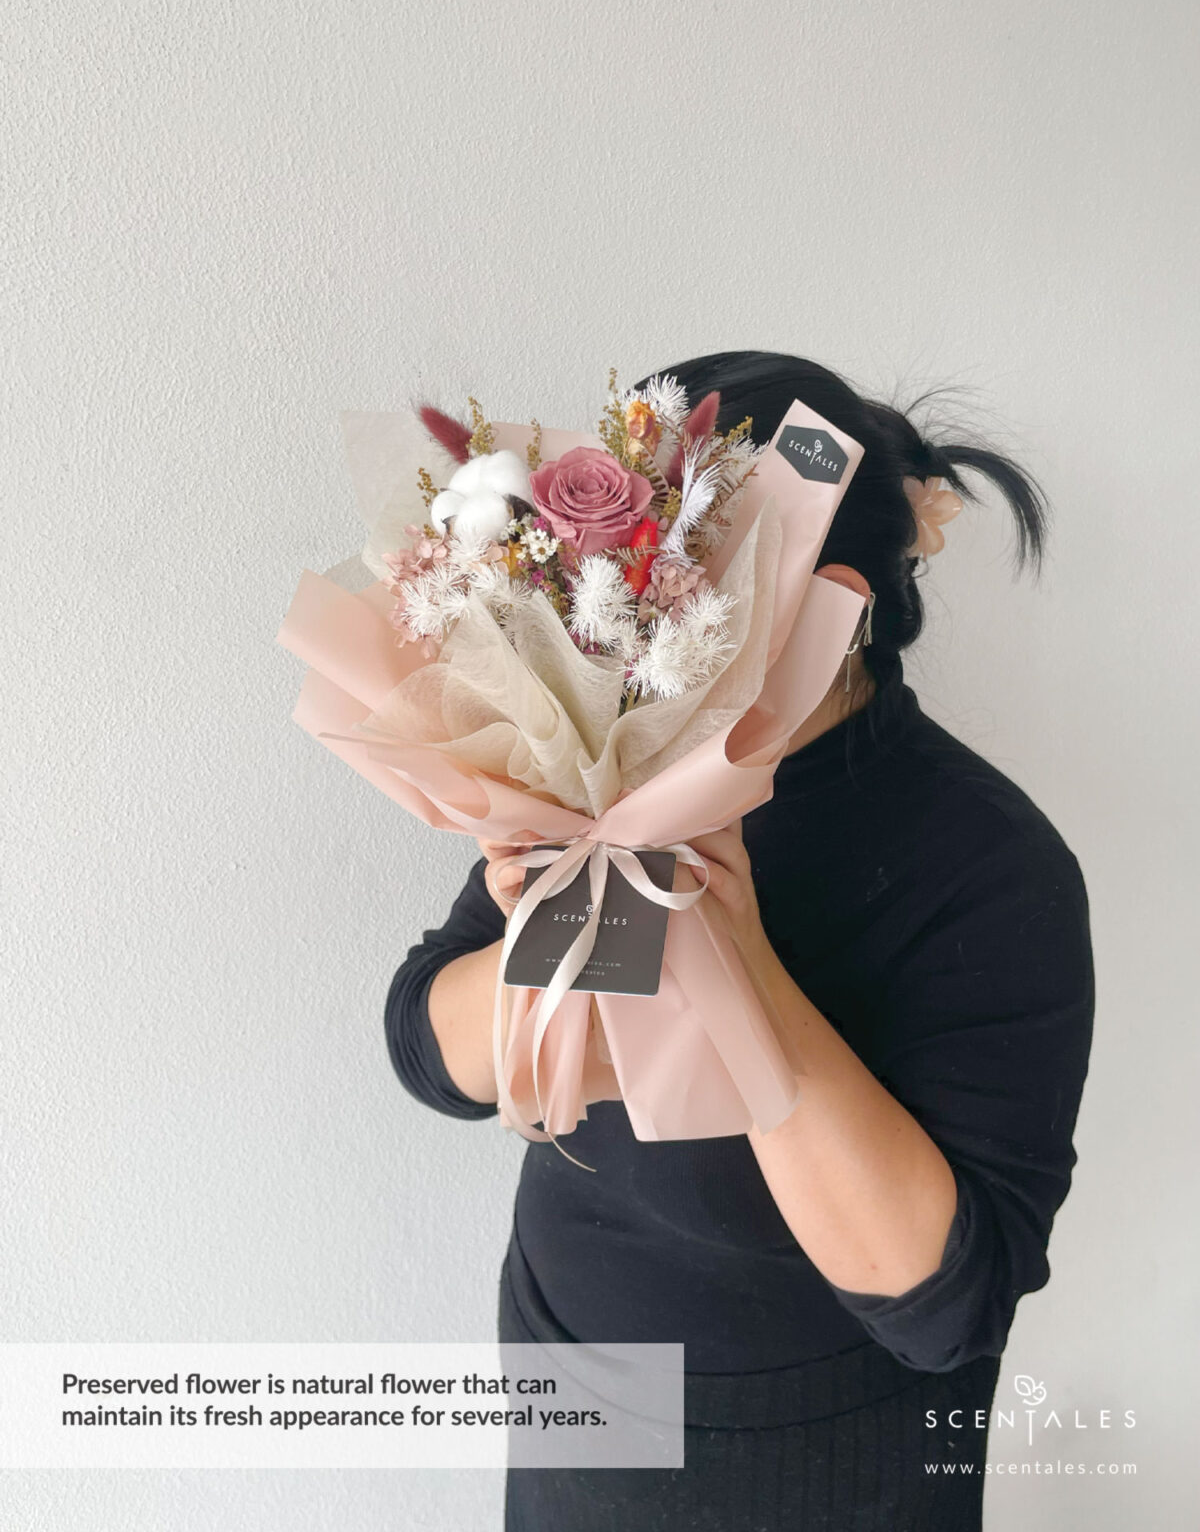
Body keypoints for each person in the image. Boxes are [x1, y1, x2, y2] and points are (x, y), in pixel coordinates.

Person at [384, 351, 1095, 1531]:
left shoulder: (992, 865)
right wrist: (530, 952)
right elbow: (424, 1048)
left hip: (819, 1458)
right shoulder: (608, 759)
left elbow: (942, 1302)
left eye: (687, 593)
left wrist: (735, 957)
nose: (635, 638)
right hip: (575, 1394)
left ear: (843, 610)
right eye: (627, 587)